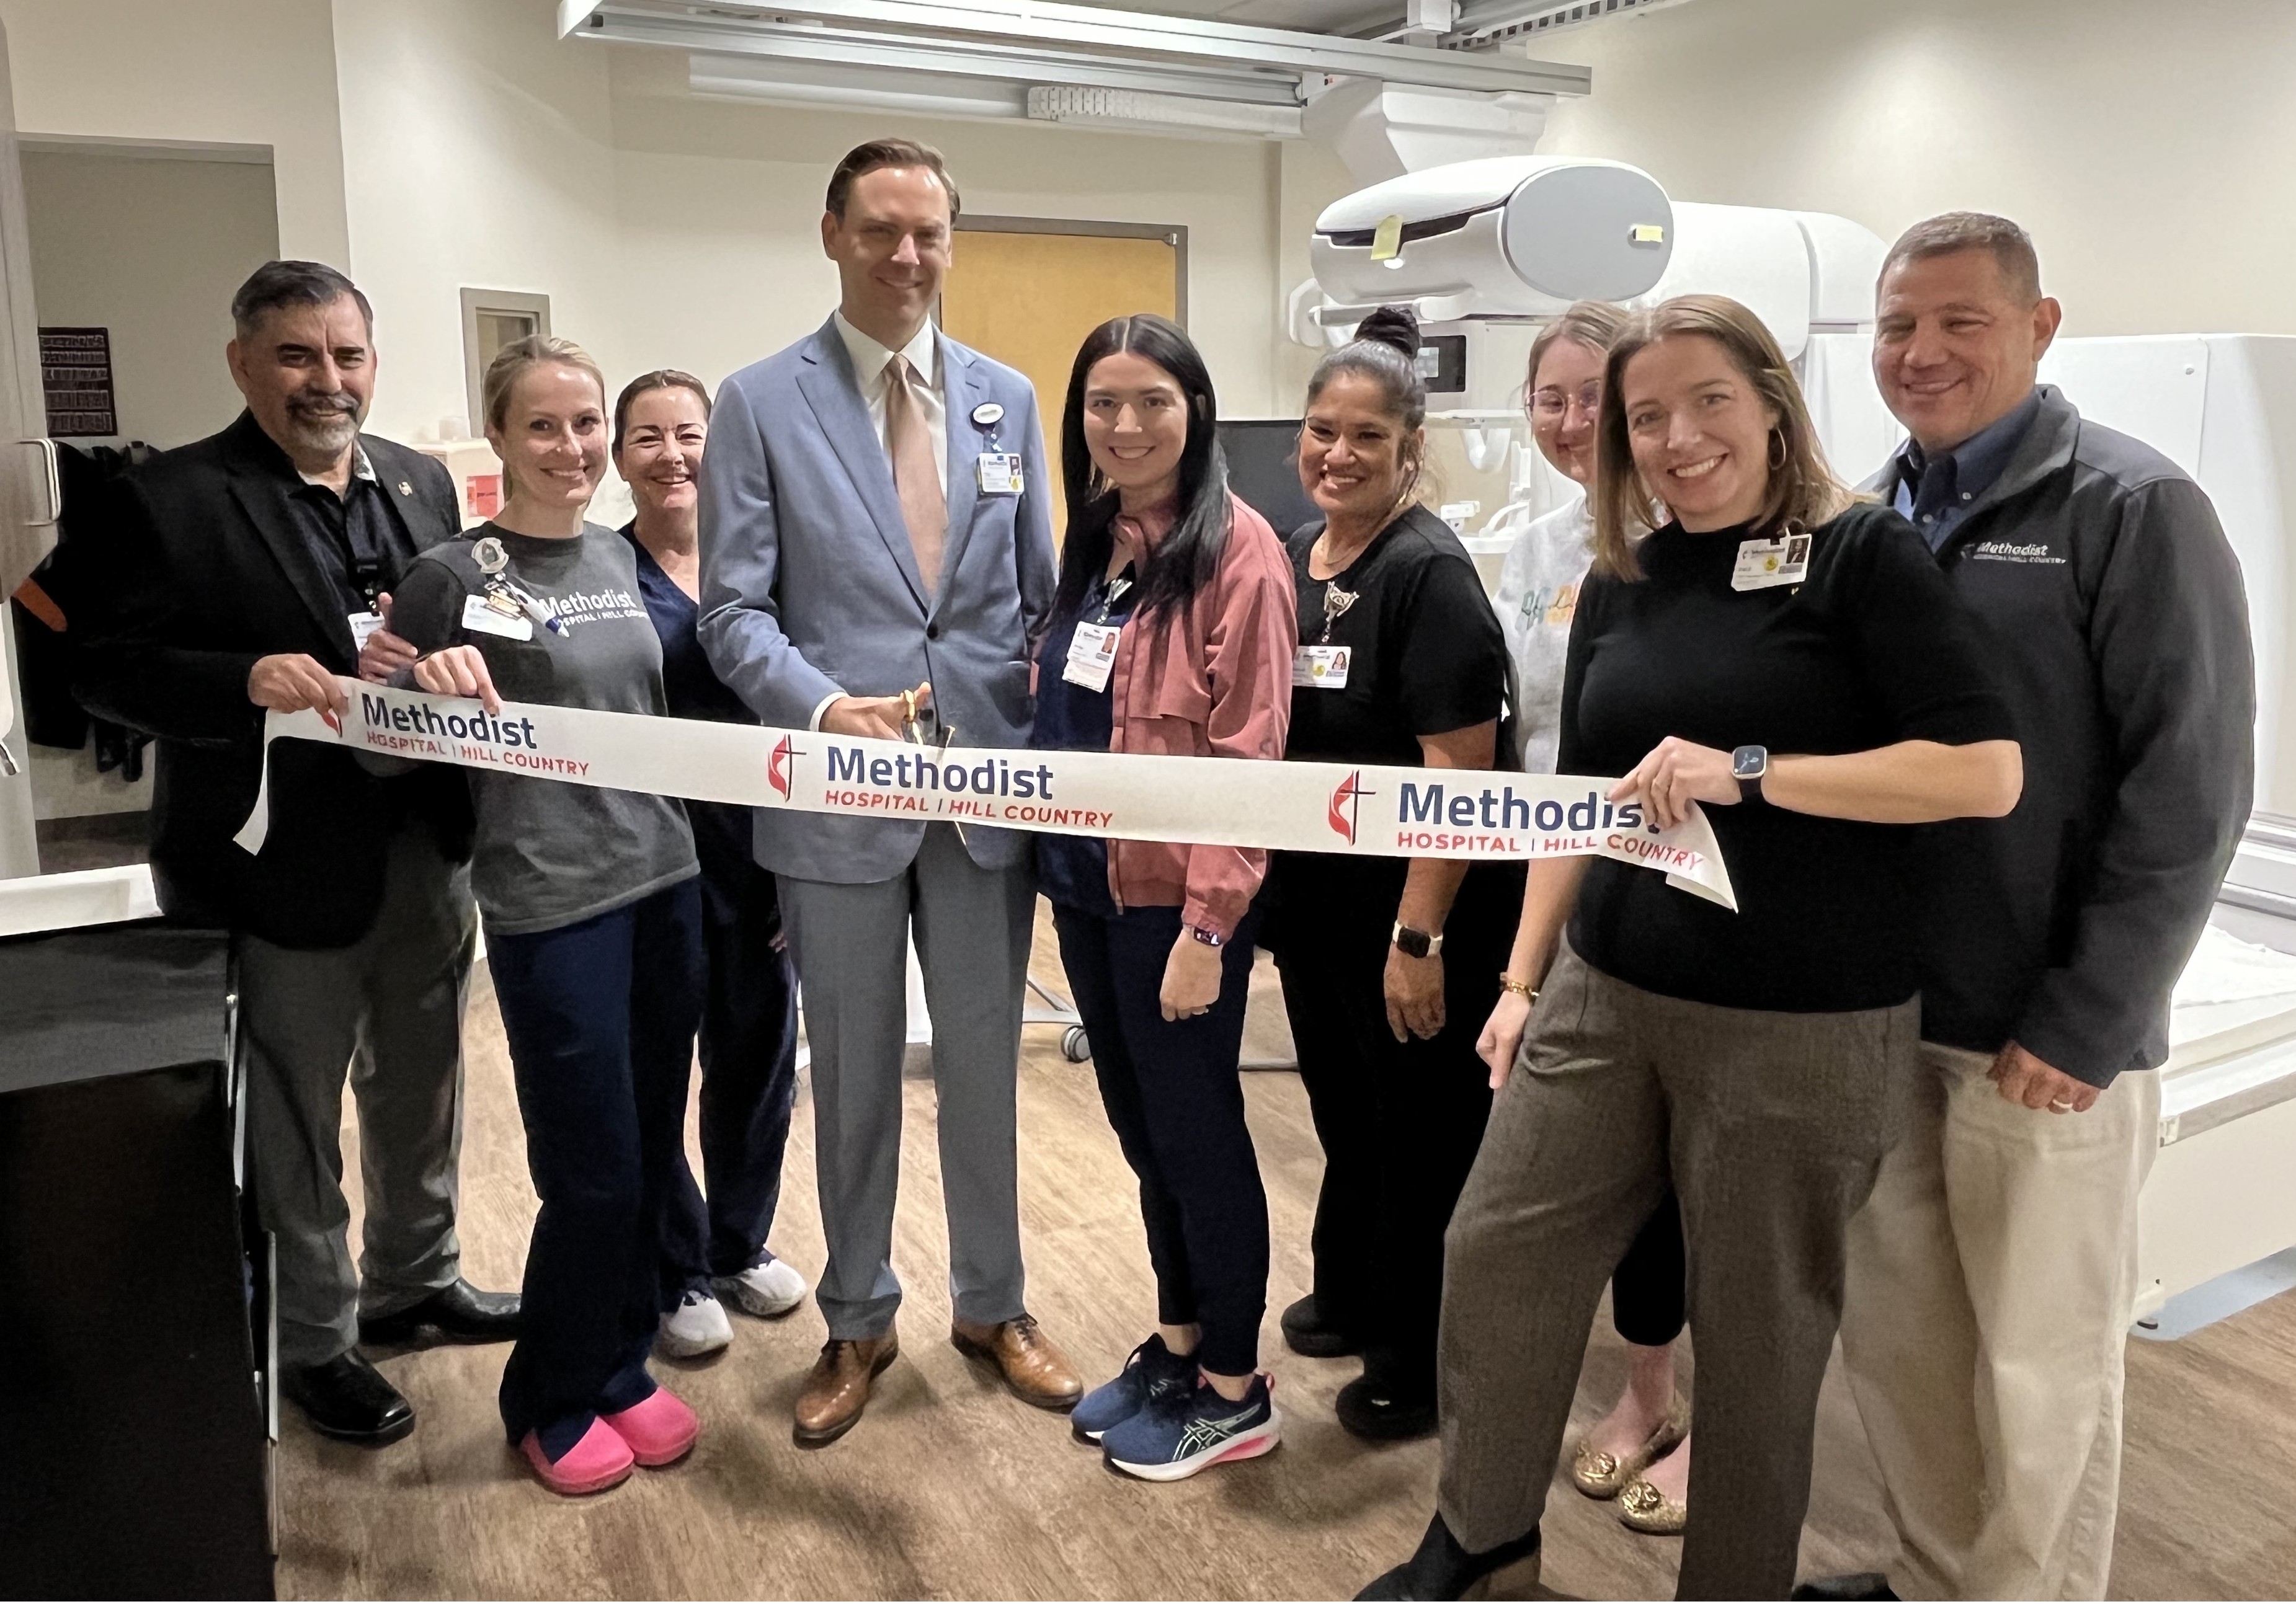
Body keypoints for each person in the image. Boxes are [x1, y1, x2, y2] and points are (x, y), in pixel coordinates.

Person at [1360, 293, 2025, 1602]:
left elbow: (1984, 771)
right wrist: (1518, 979)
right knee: (1497, 1251)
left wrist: (1754, 772)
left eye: (1707, 401)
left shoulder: (1862, 559)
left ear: (1772, 402)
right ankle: (1483, 1539)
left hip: (1800, 1021)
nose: (1676, 437)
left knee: (1763, 1337)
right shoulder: (1626, 576)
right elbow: (1583, 793)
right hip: (1607, 994)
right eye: (1646, 417)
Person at [1809, 215, 2254, 1604]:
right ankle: (1933, 1576)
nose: (1922, 352)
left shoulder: (2130, 507)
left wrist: (2092, 1014)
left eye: (1961, 322)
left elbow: (2191, 787)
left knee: (2039, 1367)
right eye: (1896, 326)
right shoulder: (1873, 514)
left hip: (2046, 1035)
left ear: (2040, 325)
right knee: (1907, 1346)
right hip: (1890, 1015)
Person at [74, 260, 517, 1448]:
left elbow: (467, 631)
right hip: (276, 872)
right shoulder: (165, 498)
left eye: (348, 355)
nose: (328, 380)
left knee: (423, 1088)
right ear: (241, 364)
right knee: (294, 1117)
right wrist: (240, 682)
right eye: (296, 356)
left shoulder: (425, 487)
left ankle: (414, 1283)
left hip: (426, 846)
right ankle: (317, 1339)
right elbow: (95, 667)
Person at [698, 137, 1079, 1445]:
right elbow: (731, 609)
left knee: (986, 1066)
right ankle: (857, 1317)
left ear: (951, 242)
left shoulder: (1007, 398)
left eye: (927, 233)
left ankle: (994, 1302)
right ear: (832, 234)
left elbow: (1034, 598)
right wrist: (818, 703)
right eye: (880, 231)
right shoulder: (759, 402)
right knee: (851, 1074)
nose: (905, 256)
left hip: (984, 797)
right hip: (838, 795)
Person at [386, 335, 705, 1497]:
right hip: (550, 905)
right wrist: (407, 688)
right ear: (501, 435)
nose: (570, 450)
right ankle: (548, 1396)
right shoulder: (452, 573)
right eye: (543, 427)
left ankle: (617, 1363)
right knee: (595, 1171)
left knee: (652, 1144)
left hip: (663, 887)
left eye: (584, 427)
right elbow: (378, 751)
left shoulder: (621, 560)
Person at [1033, 314, 1297, 1481]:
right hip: (1090, 889)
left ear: (1196, 412)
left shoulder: (1240, 553)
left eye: (1152, 402)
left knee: (1196, 1137)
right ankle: (1180, 1344)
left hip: (1174, 906)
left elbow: (1252, 765)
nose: (1126, 426)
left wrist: (1206, 930)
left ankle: (1236, 1388)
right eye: (1103, 404)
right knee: (1144, 1135)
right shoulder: (1096, 541)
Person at [1262, 306, 1526, 1443]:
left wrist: (1416, 942)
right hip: (1323, 913)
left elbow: (1461, 778)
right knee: (1347, 1114)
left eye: (1367, 436)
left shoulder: (1429, 578)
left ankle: (1421, 1366)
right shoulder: (1295, 557)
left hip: (1415, 918)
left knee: (1419, 1137)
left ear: (1410, 448)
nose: (1339, 453)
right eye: (1323, 430)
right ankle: (1360, 1293)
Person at [1492, 298, 1693, 1531]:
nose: (1578, 424)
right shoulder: (1540, 549)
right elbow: (1542, 748)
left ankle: (1731, 1414)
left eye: (1602, 398)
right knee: (1624, 1173)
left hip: (1702, 898)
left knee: (1713, 1178)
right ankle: (1647, 1389)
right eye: (1552, 398)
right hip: (1564, 888)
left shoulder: (1722, 540)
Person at [607, 370, 809, 1360]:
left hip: (760, 856)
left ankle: (737, 1241)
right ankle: (674, 1266)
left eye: (691, 434)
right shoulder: (600, 574)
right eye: (647, 437)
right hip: (650, 859)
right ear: (618, 458)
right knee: (655, 1067)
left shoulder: (770, 564)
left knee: (756, 1059)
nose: (674, 455)